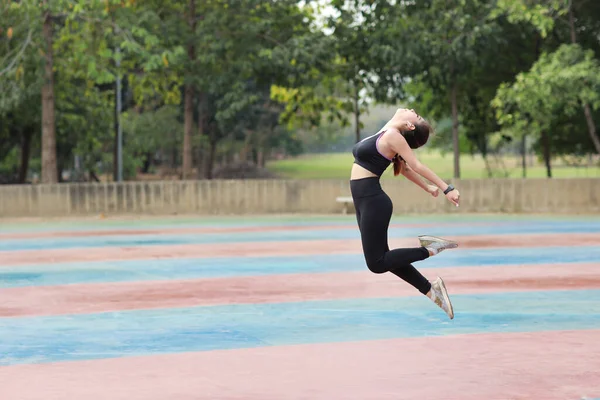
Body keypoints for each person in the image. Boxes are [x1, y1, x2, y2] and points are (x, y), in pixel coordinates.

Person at [350, 108, 461, 319]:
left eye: (417, 116)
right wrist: (427, 188)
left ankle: (429, 249)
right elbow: (405, 169)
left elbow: (416, 165)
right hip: (364, 202)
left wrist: (446, 188)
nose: (413, 110)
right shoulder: (387, 132)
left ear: (410, 126)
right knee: (385, 259)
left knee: (376, 263)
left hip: (373, 202)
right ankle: (431, 290)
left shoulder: (393, 136)